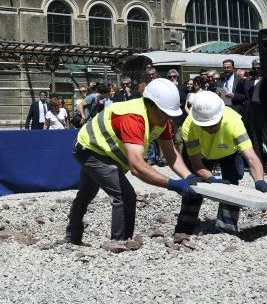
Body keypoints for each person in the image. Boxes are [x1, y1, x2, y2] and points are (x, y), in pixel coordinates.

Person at [65, 78, 197, 244]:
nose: (167, 118)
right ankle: (120, 244)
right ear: (150, 105)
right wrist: (173, 184)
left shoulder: (161, 119)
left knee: (86, 193)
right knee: (125, 196)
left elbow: (170, 153)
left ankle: (72, 238)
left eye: (170, 114)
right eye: (164, 113)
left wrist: (188, 176)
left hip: (103, 151)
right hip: (90, 150)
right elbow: (137, 167)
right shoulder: (132, 118)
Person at [175, 91, 267, 235]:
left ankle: (226, 229)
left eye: (212, 125)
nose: (209, 129)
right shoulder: (189, 125)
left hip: (228, 153)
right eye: (205, 126)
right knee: (193, 184)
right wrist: (212, 179)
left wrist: (259, 180)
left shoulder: (234, 122)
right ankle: (184, 228)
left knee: (231, 186)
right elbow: (196, 164)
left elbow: (251, 158)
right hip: (203, 155)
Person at [246, 59, 267, 173]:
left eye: (259, 67)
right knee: (256, 141)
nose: (257, 69)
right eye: (255, 68)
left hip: (265, 111)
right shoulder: (250, 81)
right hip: (253, 112)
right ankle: (260, 165)